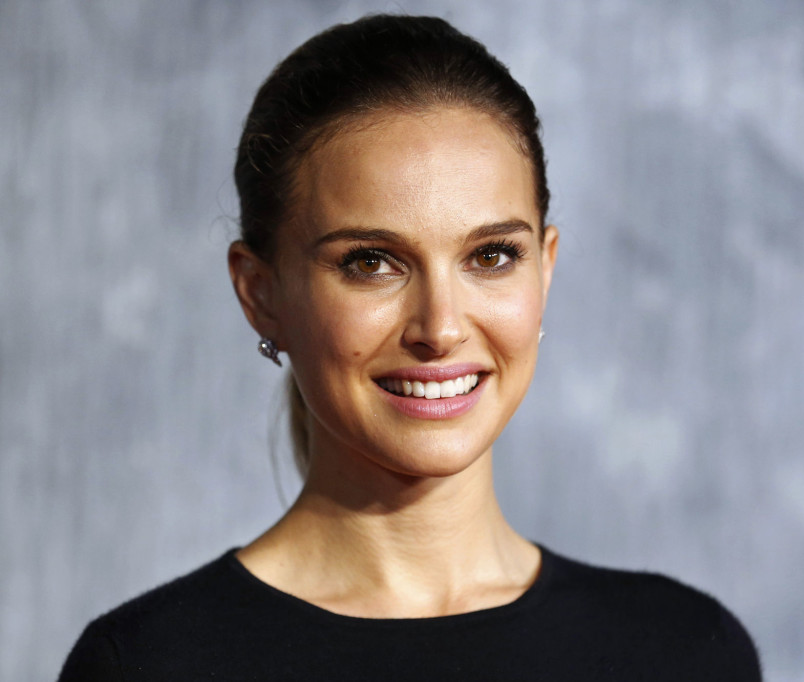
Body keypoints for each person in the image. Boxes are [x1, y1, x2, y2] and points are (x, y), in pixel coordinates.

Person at [59, 14, 761, 680]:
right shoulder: (147, 666)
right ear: (260, 293)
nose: (441, 327)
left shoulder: (686, 653)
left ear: (545, 270)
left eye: (491, 255)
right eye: (371, 262)